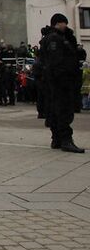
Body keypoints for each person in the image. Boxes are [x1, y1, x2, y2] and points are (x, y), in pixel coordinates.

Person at [42, 13, 84, 153]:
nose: (66, 26)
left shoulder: (56, 37)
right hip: (60, 82)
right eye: (64, 23)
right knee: (63, 110)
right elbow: (56, 61)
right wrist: (64, 78)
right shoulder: (54, 38)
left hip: (56, 81)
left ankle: (57, 139)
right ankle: (65, 140)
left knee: (56, 110)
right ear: (58, 23)